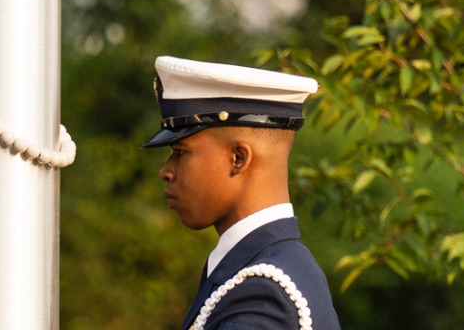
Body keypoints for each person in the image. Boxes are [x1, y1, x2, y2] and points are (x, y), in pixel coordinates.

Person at [147, 55, 343, 330]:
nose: (165, 171)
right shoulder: (265, 266)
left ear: (238, 158)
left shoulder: (263, 296)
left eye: (181, 153)